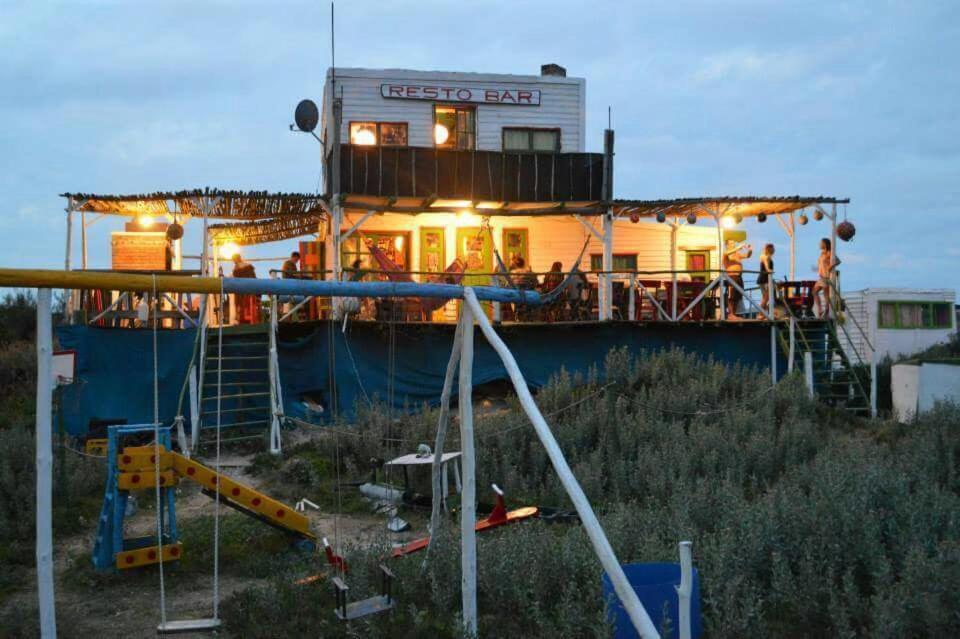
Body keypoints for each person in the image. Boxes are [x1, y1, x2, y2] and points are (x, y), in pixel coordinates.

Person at [722, 239, 752, 319]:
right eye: (731, 243)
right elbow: (727, 253)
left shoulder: (736, 254)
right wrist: (739, 247)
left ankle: (734, 314)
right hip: (732, 276)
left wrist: (750, 250)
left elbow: (747, 256)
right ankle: (730, 314)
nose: (733, 244)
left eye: (734, 243)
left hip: (739, 277)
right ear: (727, 245)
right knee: (731, 296)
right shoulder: (726, 253)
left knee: (738, 296)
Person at [812, 238, 840, 318]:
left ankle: (826, 311)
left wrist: (830, 267)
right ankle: (820, 309)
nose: (819, 244)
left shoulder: (829, 252)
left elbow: (838, 261)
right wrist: (817, 269)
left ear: (825, 244)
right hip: (821, 276)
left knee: (825, 294)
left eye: (821, 243)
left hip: (826, 276)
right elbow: (821, 264)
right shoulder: (822, 253)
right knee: (814, 292)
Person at [231, 253, 259, 324]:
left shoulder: (236, 268)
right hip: (250, 289)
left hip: (241, 291)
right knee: (248, 307)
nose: (234, 262)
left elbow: (236, 279)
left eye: (234, 260)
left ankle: (242, 320)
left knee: (242, 307)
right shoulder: (248, 267)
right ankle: (248, 320)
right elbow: (254, 278)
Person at [758, 243, 775, 311]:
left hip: (767, 278)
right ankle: (760, 313)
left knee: (766, 297)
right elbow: (767, 267)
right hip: (763, 279)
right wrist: (769, 270)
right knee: (766, 297)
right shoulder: (763, 256)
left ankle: (764, 313)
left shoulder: (769, 257)